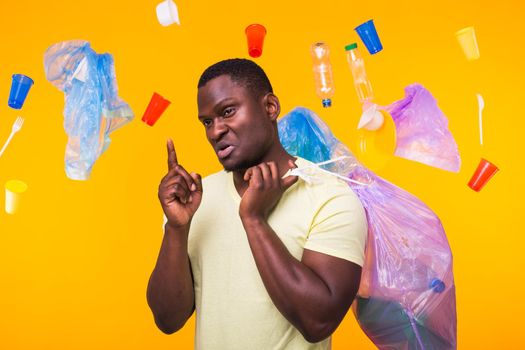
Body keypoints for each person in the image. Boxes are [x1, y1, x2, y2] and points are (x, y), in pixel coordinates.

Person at [147, 58, 368, 349]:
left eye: (227, 112)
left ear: (270, 107)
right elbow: (167, 320)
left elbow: (318, 322)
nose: (215, 132)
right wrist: (177, 228)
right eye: (207, 122)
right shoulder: (195, 201)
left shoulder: (331, 198)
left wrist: (253, 219)